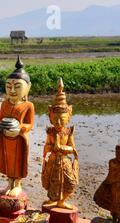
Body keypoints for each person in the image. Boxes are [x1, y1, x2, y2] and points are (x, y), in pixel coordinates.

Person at [0, 56, 34, 197]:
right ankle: (9, 184)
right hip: (6, 138)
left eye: (17, 87)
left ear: (27, 87)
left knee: (17, 162)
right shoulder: (5, 104)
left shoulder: (28, 105)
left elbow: (29, 124)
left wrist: (19, 130)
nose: (12, 90)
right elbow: (0, 120)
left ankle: (17, 185)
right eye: (9, 87)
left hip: (18, 139)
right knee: (8, 161)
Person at [42, 78, 78, 209]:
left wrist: (61, 147)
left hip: (64, 160)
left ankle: (62, 201)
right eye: (55, 119)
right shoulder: (51, 131)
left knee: (71, 182)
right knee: (51, 182)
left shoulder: (68, 131)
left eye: (61, 119)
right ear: (50, 116)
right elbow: (46, 147)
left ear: (68, 117)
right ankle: (53, 199)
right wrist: (52, 147)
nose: (58, 122)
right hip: (53, 161)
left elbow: (72, 149)